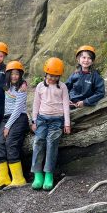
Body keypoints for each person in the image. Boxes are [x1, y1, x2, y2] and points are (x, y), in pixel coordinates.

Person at [31, 57, 71, 191]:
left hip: (57, 120)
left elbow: (66, 105)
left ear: (59, 75)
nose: (52, 78)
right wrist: (34, 120)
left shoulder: (63, 87)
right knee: (38, 141)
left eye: (55, 76)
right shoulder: (40, 86)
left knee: (51, 143)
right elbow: (36, 104)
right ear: (45, 73)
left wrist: (67, 123)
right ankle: (37, 174)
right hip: (41, 119)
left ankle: (48, 174)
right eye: (50, 75)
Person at [0, 61, 29, 188]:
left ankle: (18, 178)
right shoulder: (7, 86)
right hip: (6, 117)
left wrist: (7, 126)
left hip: (19, 118)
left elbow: (18, 110)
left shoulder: (22, 86)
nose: (14, 76)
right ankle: (3, 177)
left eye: (17, 74)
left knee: (10, 142)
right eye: (12, 74)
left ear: (21, 75)